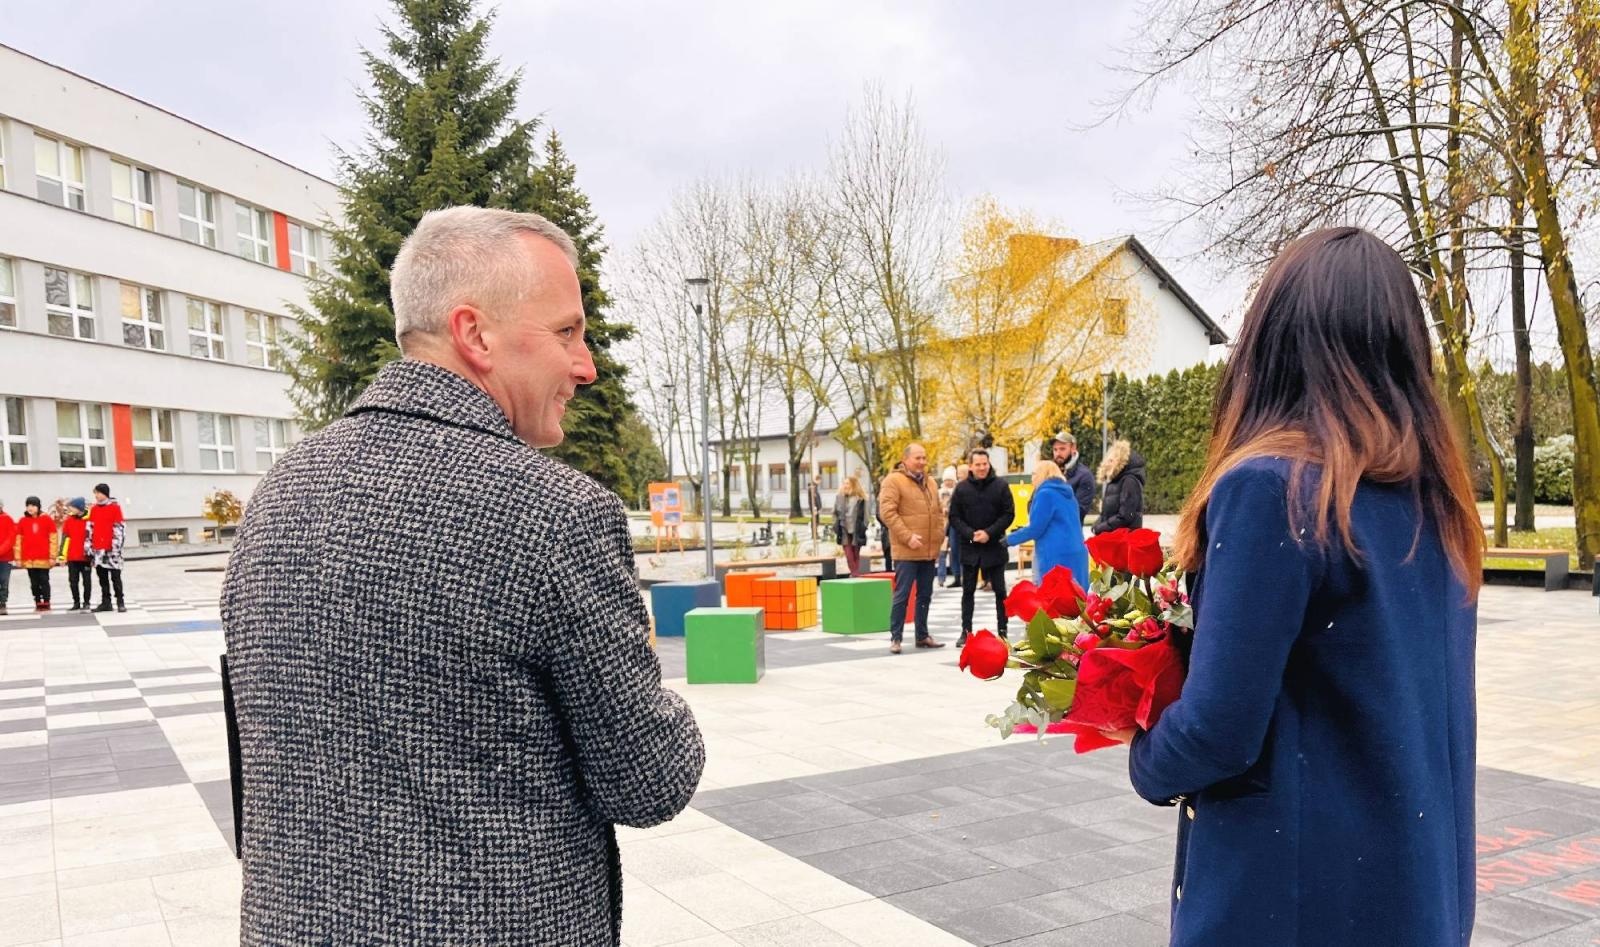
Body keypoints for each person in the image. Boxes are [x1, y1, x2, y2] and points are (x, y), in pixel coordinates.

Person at [222, 207, 705, 946]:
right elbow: (646, 781)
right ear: (475, 334)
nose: (587, 365)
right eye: (568, 332)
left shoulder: (280, 492)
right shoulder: (555, 515)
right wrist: (664, 703)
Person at [1101, 228, 1483, 946]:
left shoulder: (1274, 488)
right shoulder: (1438, 507)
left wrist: (1143, 752)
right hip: (1417, 895)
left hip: (1292, 901)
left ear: (1272, 345)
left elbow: (1220, 728)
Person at [878, 444, 946, 654]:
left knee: (925, 594)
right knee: (903, 594)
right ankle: (896, 638)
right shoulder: (893, 481)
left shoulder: (931, 482)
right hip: (907, 550)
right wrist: (908, 537)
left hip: (928, 549)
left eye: (924, 458)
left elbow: (938, 512)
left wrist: (939, 535)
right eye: (918, 458)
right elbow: (887, 513)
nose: (922, 462)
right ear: (905, 459)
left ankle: (922, 635)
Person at [948, 449, 1014, 647]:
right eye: (977, 464)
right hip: (970, 548)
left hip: (994, 546)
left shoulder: (1001, 486)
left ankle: (1003, 631)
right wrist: (970, 534)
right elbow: (954, 517)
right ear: (971, 466)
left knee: (1000, 592)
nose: (982, 468)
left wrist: (989, 533)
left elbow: (1008, 514)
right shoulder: (961, 489)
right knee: (968, 591)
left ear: (989, 463)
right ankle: (965, 631)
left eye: (984, 464)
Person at [1005, 462, 1090, 585]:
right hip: (1078, 552)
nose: (1032, 478)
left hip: (1055, 554)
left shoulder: (1045, 494)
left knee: (1053, 598)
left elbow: (1035, 529)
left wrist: (1009, 539)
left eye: (1034, 474)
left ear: (1042, 474)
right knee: (1078, 598)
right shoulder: (1068, 494)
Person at [87, 484, 127, 612]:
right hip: (98, 549)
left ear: (105, 493)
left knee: (116, 577)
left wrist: (116, 546)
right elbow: (90, 529)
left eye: (98, 493)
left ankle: (120, 601)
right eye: (95, 493)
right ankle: (106, 602)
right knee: (102, 578)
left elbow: (119, 528)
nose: (96, 495)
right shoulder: (93, 509)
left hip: (111, 549)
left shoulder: (115, 508)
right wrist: (89, 547)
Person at [1092, 439, 1145, 534]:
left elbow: (1125, 516)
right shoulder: (1115, 481)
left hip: (1124, 539)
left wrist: (1101, 527)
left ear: (1120, 461)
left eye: (1112, 460)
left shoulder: (1129, 481)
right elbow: (1108, 513)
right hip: (1115, 538)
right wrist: (1097, 524)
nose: (1108, 463)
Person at [17, 497, 55, 612]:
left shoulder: (47, 520)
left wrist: (53, 556)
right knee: (34, 582)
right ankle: (38, 600)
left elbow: (53, 539)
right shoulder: (23, 521)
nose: (30, 508)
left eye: (33, 505)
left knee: (44, 580)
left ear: (38, 507)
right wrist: (18, 558)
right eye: (28, 505)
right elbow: (18, 541)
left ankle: (46, 601)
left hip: (44, 558)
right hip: (29, 558)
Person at [1051, 431, 1097, 522]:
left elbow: (1078, 512)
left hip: (1069, 534)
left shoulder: (1084, 476)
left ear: (1073, 448)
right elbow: (1032, 504)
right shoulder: (1048, 472)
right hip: (1046, 534)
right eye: (1055, 450)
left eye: (1062, 449)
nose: (1057, 454)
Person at [57, 498, 92, 612]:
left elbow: (93, 538)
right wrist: (62, 556)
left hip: (86, 557)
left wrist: (94, 556)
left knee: (86, 581)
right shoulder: (69, 521)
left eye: (71, 507)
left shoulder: (90, 520)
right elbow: (65, 539)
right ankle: (76, 602)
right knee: (73, 581)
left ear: (79, 507)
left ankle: (86, 602)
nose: (69, 509)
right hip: (72, 557)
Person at [832, 475, 869, 575]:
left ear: (853, 485)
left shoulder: (861, 499)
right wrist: (835, 526)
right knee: (849, 554)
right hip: (844, 530)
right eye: (844, 483)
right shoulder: (839, 497)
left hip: (857, 530)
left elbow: (866, 516)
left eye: (847, 483)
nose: (845, 485)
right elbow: (835, 513)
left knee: (856, 554)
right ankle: (855, 574)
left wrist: (864, 527)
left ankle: (855, 574)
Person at [935, 466, 961, 588]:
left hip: (954, 526)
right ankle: (941, 578)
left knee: (956, 552)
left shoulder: (958, 491)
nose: (948, 482)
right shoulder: (938, 493)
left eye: (950, 480)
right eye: (946, 480)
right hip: (942, 526)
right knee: (942, 553)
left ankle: (958, 576)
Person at [0, 500, 15, 617]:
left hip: (6, 558)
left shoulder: (7, 519)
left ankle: (3, 603)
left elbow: (11, 539)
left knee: (4, 581)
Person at [807, 474, 824, 542]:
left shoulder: (814, 486)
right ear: (818, 480)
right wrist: (816, 507)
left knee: (816, 521)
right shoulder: (812, 487)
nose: (820, 482)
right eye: (820, 481)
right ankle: (814, 534)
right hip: (814, 508)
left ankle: (815, 534)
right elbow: (814, 499)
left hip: (816, 507)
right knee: (814, 521)